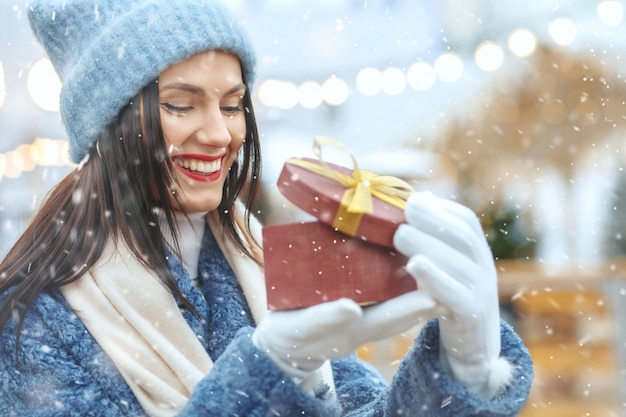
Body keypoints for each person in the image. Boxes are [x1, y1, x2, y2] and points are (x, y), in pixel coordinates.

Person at [0, 0, 533, 415]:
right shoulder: (31, 324)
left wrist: (463, 366)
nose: (219, 134)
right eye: (181, 105)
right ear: (109, 124)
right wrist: (271, 373)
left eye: (233, 106)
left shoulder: (257, 263)